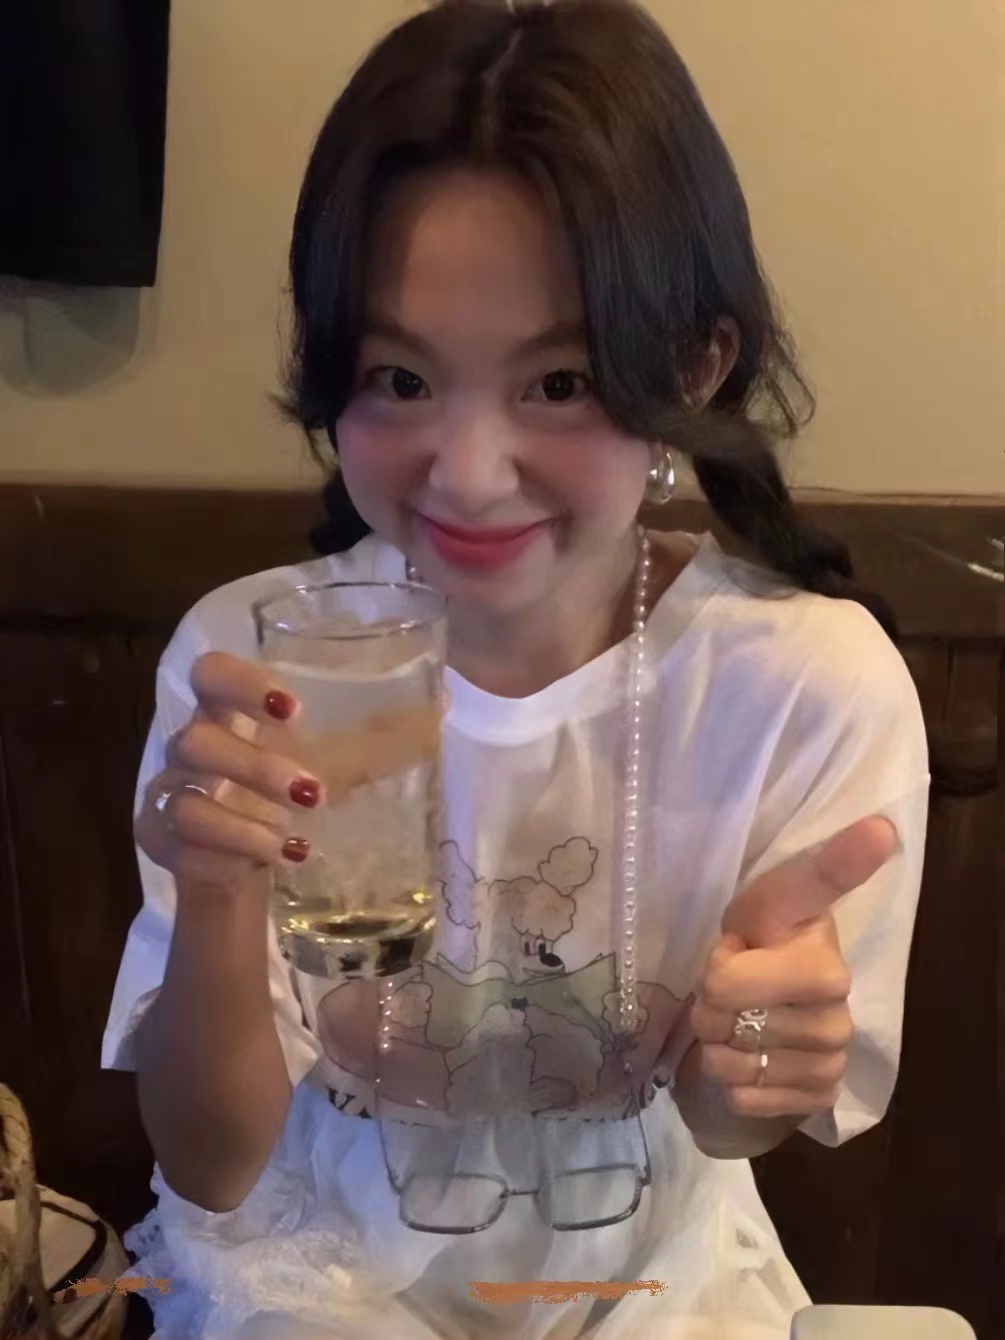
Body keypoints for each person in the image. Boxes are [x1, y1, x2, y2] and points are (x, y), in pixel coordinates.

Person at [102, 2, 929, 1336]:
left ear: (691, 368)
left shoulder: (802, 684)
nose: (471, 475)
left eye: (558, 384)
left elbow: (729, 1127)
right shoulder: (247, 664)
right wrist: (215, 889)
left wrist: (752, 1061)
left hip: (647, 1288)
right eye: (398, 378)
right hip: (317, 1285)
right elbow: (213, 1165)